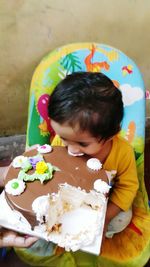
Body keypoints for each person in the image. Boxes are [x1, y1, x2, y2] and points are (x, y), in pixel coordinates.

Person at [48, 71, 139, 238]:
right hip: (68, 195)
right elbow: (55, 169)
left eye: (83, 144)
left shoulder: (123, 153)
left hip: (103, 202)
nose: (72, 149)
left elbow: (127, 188)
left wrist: (105, 217)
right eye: (64, 138)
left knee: (122, 219)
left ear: (112, 134)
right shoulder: (62, 142)